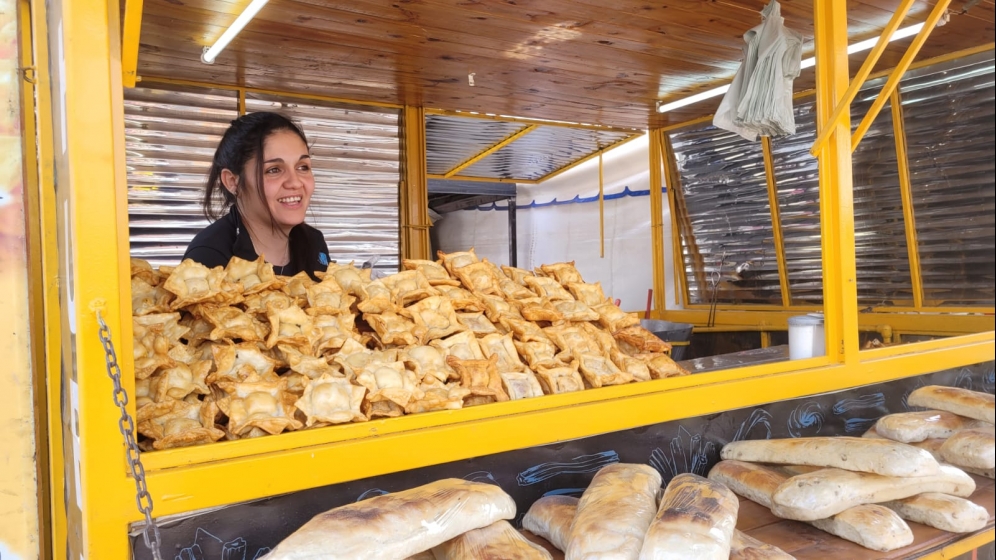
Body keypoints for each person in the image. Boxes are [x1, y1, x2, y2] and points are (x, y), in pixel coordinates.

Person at [183, 112, 331, 279]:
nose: (295, 183)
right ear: (232, 181)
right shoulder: (208, 257)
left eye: (303, 167)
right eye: (273, 170)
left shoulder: (313, 243)